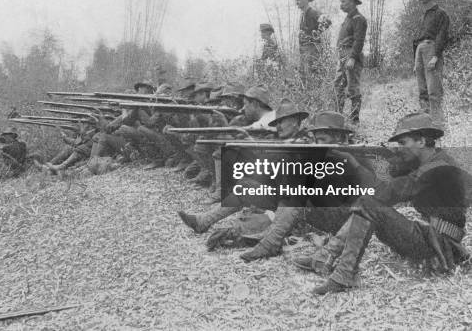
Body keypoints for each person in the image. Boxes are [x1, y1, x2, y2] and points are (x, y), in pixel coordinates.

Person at [300, 112, 469, 295]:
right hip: (434, 237)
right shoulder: (433, 160)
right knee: (367, 205)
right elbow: (389, 170)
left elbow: (384, 194)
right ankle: (326, 256)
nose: (399, 148)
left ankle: (344, 275)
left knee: (368, 204)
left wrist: (354, 164)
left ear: (421, 141)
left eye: (403, 143)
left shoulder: (436, 169)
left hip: (440, 246)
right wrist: (367, 158)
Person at [238, 111, 376, 261]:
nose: (318, 144)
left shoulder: (359, 154)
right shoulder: (322, 155)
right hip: (321, 213)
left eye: (323, 139)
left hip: (345, 220)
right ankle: (272, 236)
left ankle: (271, 242)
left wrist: (351, 162)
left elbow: (375, 190)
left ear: (339, 137)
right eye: (316, 140)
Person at [176, 97, 300, 238]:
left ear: (295, 122)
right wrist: (249, 142)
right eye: (277, 122)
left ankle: (205, 222)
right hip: (279, 195)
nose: (278, 126)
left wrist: (254, 145)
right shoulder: (281, 139)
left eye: (282, 121)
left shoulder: (306, 140)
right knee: (244, 185)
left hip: (293, 203)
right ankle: (203, 221)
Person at [413, 0, 449, 126]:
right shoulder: (423, 16)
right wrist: (415, 61)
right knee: (422, 90)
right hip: (420, 51)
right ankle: (425, 121)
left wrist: (436, 56)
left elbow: (442, 35)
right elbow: (417, 39)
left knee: (434, 89)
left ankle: (438, 123)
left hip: (432, 49)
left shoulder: (441, 13)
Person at [333, 0, 367, 126]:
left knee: (353, 88)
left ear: (353, 2)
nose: (341, 5)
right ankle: (337, 117)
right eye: (340, 2)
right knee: (338, 86)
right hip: (342, 56)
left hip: (351, 55)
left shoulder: (359, 19)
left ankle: (354, 120)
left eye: (344, 2)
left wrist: (352, 58)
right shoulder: (348, 19)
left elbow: (359, 40)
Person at [292, 0, 331, 84]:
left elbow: (327, 21)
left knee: (312, 73)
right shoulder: (303, 14)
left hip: (312, 50)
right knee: (303, 74)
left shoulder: (313, 12)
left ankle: (315, 93)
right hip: (304, 50)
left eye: (298, 0)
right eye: (296, 0)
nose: (296, 2)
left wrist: (317, 34)